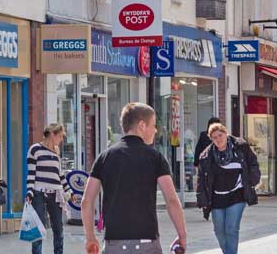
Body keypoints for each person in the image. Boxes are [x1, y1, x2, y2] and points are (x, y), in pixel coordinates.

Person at [81, 102, 188, 254]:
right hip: (147, 242)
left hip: (114, 242)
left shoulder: (105, 157)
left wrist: (90, 237)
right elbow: (171, 200)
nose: (156, 130)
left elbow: (87, 201)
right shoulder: (155, 157)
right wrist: (182, 235)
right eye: (153, 125)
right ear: (142, 125)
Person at [196, 121, 261, 254]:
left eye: (220, 135)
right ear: (211, 139)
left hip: (237, 196)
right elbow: (201, 180)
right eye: (214, 137)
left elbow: (253, 163)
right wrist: (201, 199)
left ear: (226, 133)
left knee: (231, 228)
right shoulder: (206, 156)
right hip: (216, 199)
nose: (218, 139)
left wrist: (253, 179)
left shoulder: (241, 147)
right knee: (219, 231)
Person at [26, 124, 67, 254]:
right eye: (60, 136)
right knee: (38, 230)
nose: (61, 140)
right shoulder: (35, 149)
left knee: (58, 230)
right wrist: (30, 191)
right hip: (38, 194)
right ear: (52, 134)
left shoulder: (56, 153)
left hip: (55, 194)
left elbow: (60, 175)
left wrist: (69, 192)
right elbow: (31, 173)